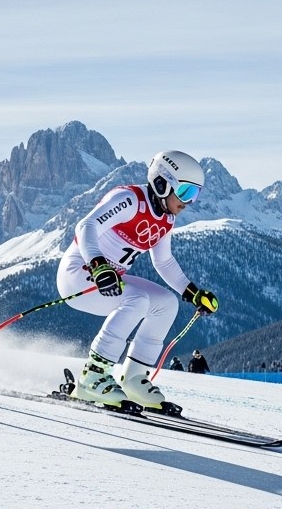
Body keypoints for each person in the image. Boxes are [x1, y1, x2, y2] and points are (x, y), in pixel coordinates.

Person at [56, 150, 216, 409]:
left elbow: (163, 261)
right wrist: (98, 265)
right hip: (78, 275)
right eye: (186, 192)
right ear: (163, 183)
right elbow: (86, 226)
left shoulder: (166, 218)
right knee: (138, 300)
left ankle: (133, 379)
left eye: (195, 194)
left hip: (110, 279)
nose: (189, 202)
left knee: (166, 303)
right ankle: (93, 376)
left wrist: (193, 293)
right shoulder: (129, 200)